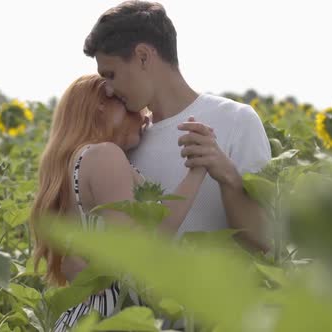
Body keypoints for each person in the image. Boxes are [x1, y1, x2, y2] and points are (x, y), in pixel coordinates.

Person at [81, 2, 272, 328]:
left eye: (110, 74)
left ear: (143, 56)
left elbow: (267, 243)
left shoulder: (236, 120)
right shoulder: (126, 145)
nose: (108, 89)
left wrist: (227, 176)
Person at [29, 74, 212, 331]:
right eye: (132, 107)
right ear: (102, 107)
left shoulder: (75, 162)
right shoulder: (104, 155)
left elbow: (74, 266)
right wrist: (198, 169)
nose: (144, 117)